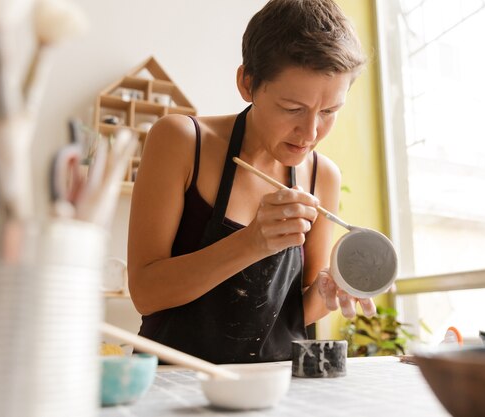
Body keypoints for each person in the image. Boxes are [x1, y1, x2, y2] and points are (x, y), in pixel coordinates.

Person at [128, 0, 376, 364]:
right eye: (293, 108)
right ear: (247, 82)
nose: (309, 133)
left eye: (328, 112)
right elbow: (145, 294)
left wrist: (326, 295)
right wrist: (251, 243)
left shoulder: (323, 175)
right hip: (175, 383)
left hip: (272, 387)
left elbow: (292, 315)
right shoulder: (181, 141)